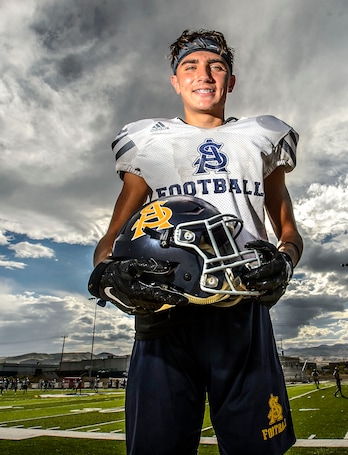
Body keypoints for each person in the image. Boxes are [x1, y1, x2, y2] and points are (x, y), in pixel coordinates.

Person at [90, 29, 303, 455]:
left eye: (216, 66)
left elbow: (289, 232)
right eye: (190, 66)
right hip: (164, 310)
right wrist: (109, 276)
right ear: (175, 81)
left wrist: (285, 262)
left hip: (241, 306)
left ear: (231, 80)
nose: (203, 75)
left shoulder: (261, 135)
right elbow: (110, 240)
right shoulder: (148, 139)